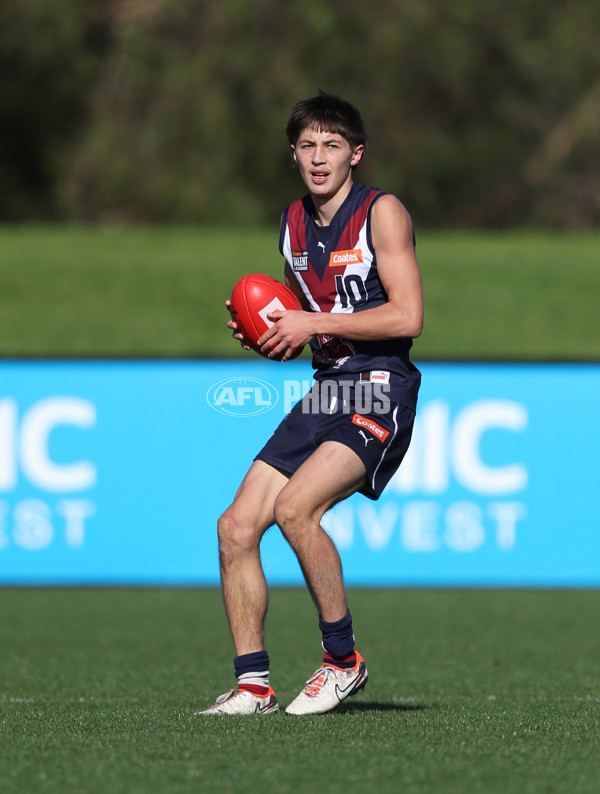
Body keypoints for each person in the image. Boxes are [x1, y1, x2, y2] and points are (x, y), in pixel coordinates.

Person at [198, 91, 423, 716]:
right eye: (307, 146)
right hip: (328, 387)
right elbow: (310, 322)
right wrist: (271, 333)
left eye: (332, 145)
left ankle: (343, 661)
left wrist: (310, 321)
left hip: (379, 387)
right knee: (235, 528)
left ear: (356, 154)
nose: (319, 158)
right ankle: (253, 687)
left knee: (297, 508)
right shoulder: (292, 223)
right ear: (293, 154)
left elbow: (408, 316)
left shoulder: (382, 213)